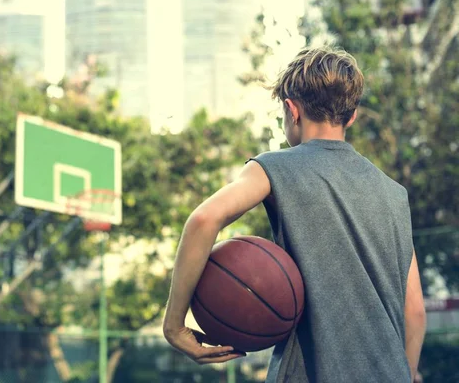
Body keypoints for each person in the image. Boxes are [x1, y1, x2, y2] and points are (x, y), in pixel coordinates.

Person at [163, 47, 426, 382]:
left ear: (292, 110)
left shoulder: (275, 167)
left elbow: (203, 219)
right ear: (353, 114)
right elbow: (414, 311)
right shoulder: (393, 194)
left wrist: (174, 326)